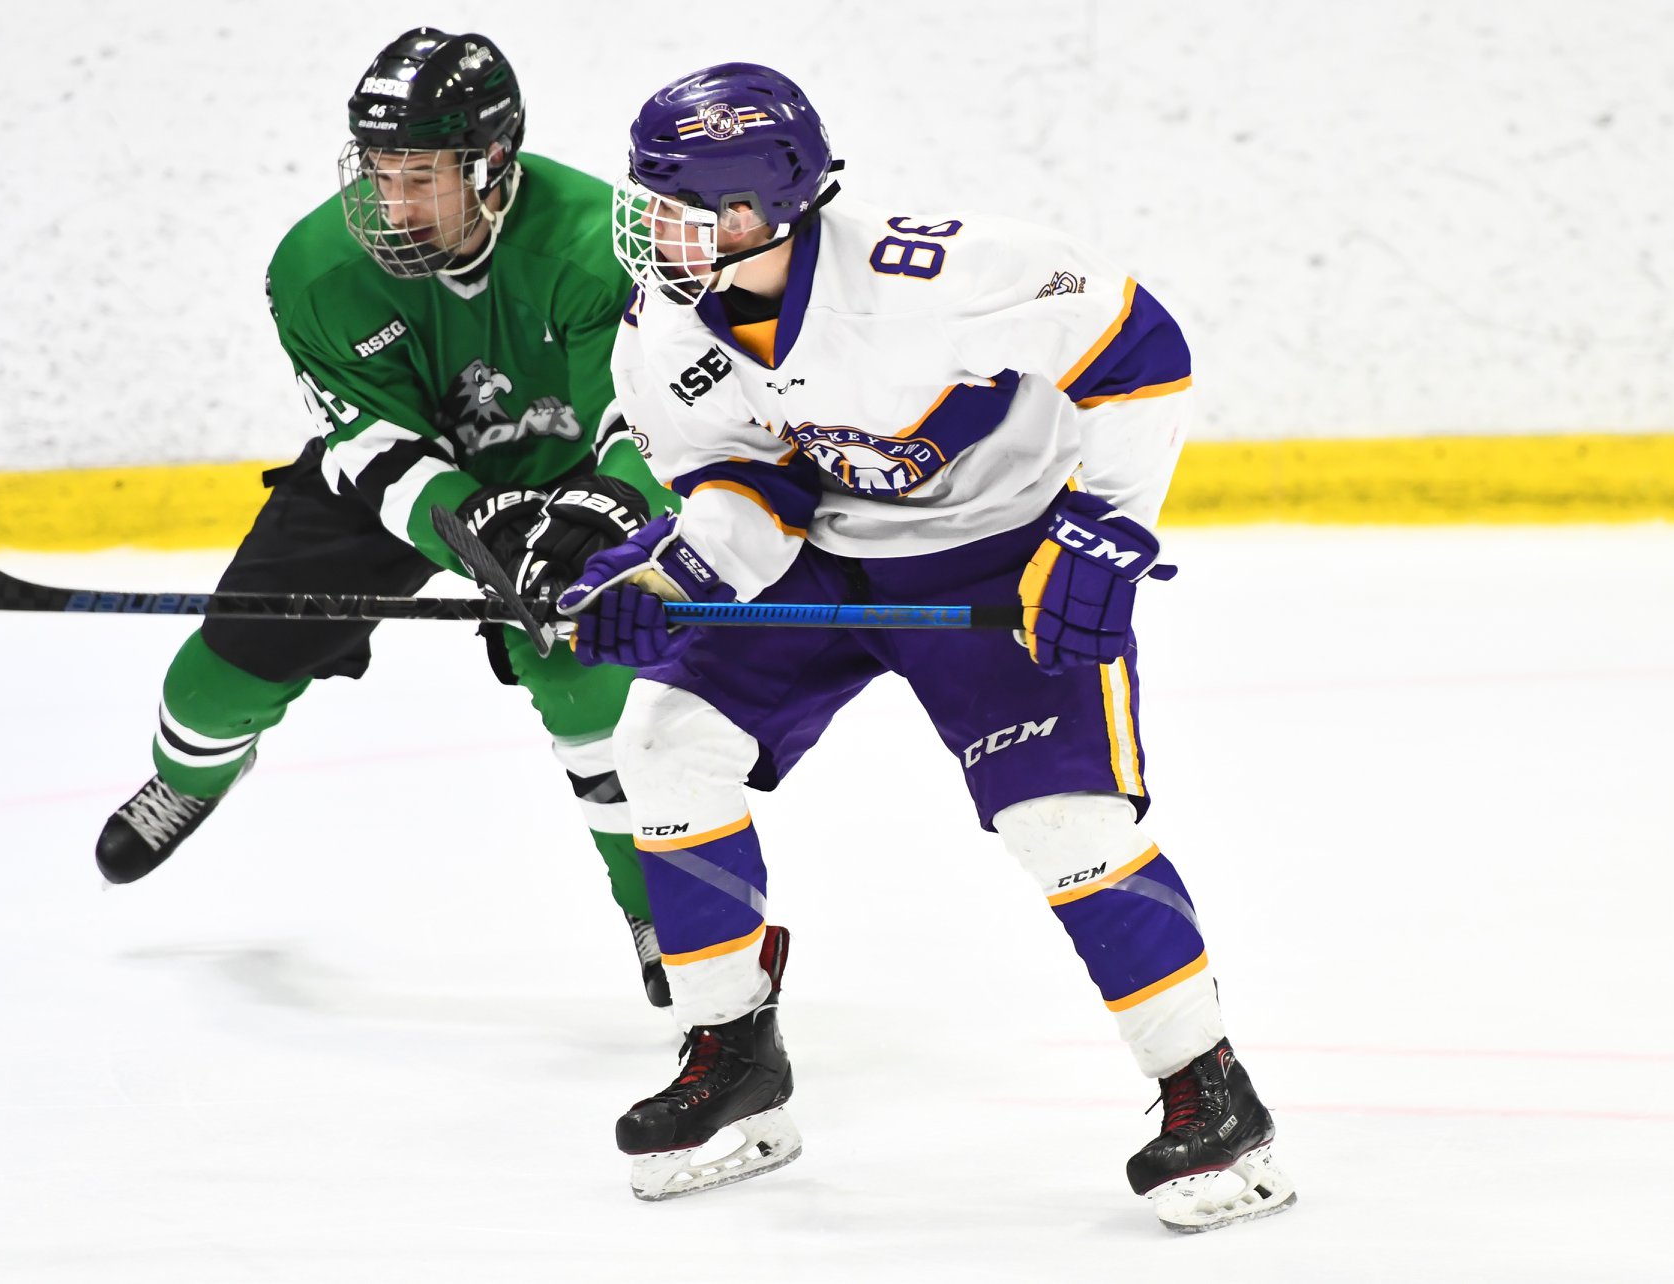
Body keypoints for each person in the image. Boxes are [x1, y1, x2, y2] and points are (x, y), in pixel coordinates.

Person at [555, 63, 1298, 1229]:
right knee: (663, 735)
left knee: (1064, 824)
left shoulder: (939, 277)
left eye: (691, 207)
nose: (660, 231)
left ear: (767, 209)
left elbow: (1138, 348)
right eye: (652, 201)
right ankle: (734, 1059)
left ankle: (1211, 1093)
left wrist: (1106, 527)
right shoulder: (665, 323)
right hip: (831, 562)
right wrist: (677, 575)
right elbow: (745, 486)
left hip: (1001, 559)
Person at [94, 28, 678, 1007]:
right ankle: (192, 773)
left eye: (419, 177)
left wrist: (606, 514)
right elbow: (368, 442)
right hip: (411, 480)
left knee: (591, 699)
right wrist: (462, 522)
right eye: (377, 171)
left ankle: (658, 908)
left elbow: (649, 411)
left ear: (493, 164)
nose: (389, 203)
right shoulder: (315, 268)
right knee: (220, 674)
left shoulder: (598, 239)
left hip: (574, 479)